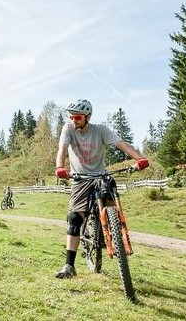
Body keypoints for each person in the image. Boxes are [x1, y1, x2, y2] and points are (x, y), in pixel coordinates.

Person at [53, 98, 148, 279]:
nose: (73, 120)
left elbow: (122, 144)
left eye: (77, 117)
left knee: (110, 195)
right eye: (71, 117)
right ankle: (69, 266)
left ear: (88, 117)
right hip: (80, 178)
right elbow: (62, 149)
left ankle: (114, 232)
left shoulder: (100, 130)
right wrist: (60, 167)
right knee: (74, 218)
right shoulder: (68, 129)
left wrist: (139, 158)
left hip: (100, 175)